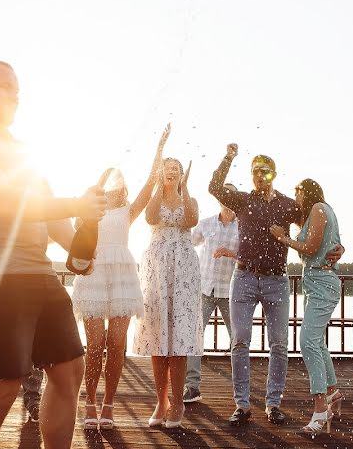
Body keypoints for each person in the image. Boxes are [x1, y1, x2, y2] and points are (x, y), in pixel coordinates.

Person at [0, 60, 106, 449]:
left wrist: (86, 227)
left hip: (39, 275)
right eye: (5, 86)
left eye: (17, 88)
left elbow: (57, 226)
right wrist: (73, 203)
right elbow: (1, 201)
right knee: (2, 387)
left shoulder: (24, 152)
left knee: (69, 374)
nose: (15, 94)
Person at [209, 145, 344, 426]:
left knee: (280, 344)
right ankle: (242, 405)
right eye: (255, 171)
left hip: (276, 281)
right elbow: (214, 186)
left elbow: (318, 223)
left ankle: (273, 404)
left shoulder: (288, 205)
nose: (260, 175)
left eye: (265, 171)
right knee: (240, 341)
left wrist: (338, 246)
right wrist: (229, 157)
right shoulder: (243, 200)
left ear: (274, 174)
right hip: (244, 278)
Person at [73, 125, 170, 430]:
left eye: (119, 181)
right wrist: (98, 183)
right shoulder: (88, 210)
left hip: (123, 277)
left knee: (116, 343)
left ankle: (108, 403)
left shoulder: (129, 211)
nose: (116, 185)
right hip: (93, 273)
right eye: (110, 181)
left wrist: (159, 148)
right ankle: (89, 400)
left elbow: (152, 181)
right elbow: (77, 232)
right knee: (95, 342)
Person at [270, 179, 343, 435]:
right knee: (317, 341)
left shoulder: (319, 209)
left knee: (308, 342)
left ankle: (320, 408)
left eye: (297, 193)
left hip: (322, 280)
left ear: (305, 191)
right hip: (315, 281)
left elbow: (311, 249)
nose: (296, 198)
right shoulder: (321, 211)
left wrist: (283, 238)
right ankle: (333, 393)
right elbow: (332, 244)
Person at [133, 156, 201, 429]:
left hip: (183, 268)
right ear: (161, 174)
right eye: (167, 169)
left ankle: (178, 401)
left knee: (180, 336)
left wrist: (183, 190)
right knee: (157, 334)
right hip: (157, 267)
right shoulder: (156, 199)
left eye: (176, 170)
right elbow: (150, 217)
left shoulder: (191, 201)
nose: (171, 172)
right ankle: (161, 401)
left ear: (182, 175)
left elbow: (190, 221)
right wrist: (161, 188)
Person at [182, 184, 239, 404]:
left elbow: (250, 254)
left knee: (238, 340)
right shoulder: (205, 224)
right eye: (222, 195)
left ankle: (240, 389)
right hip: (204, 289)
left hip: (232, 291)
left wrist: (230, 253)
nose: (226, 199)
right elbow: (187, 243)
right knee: (195, 336)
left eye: (230, 194)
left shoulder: (244, 227)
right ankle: (192, 387)